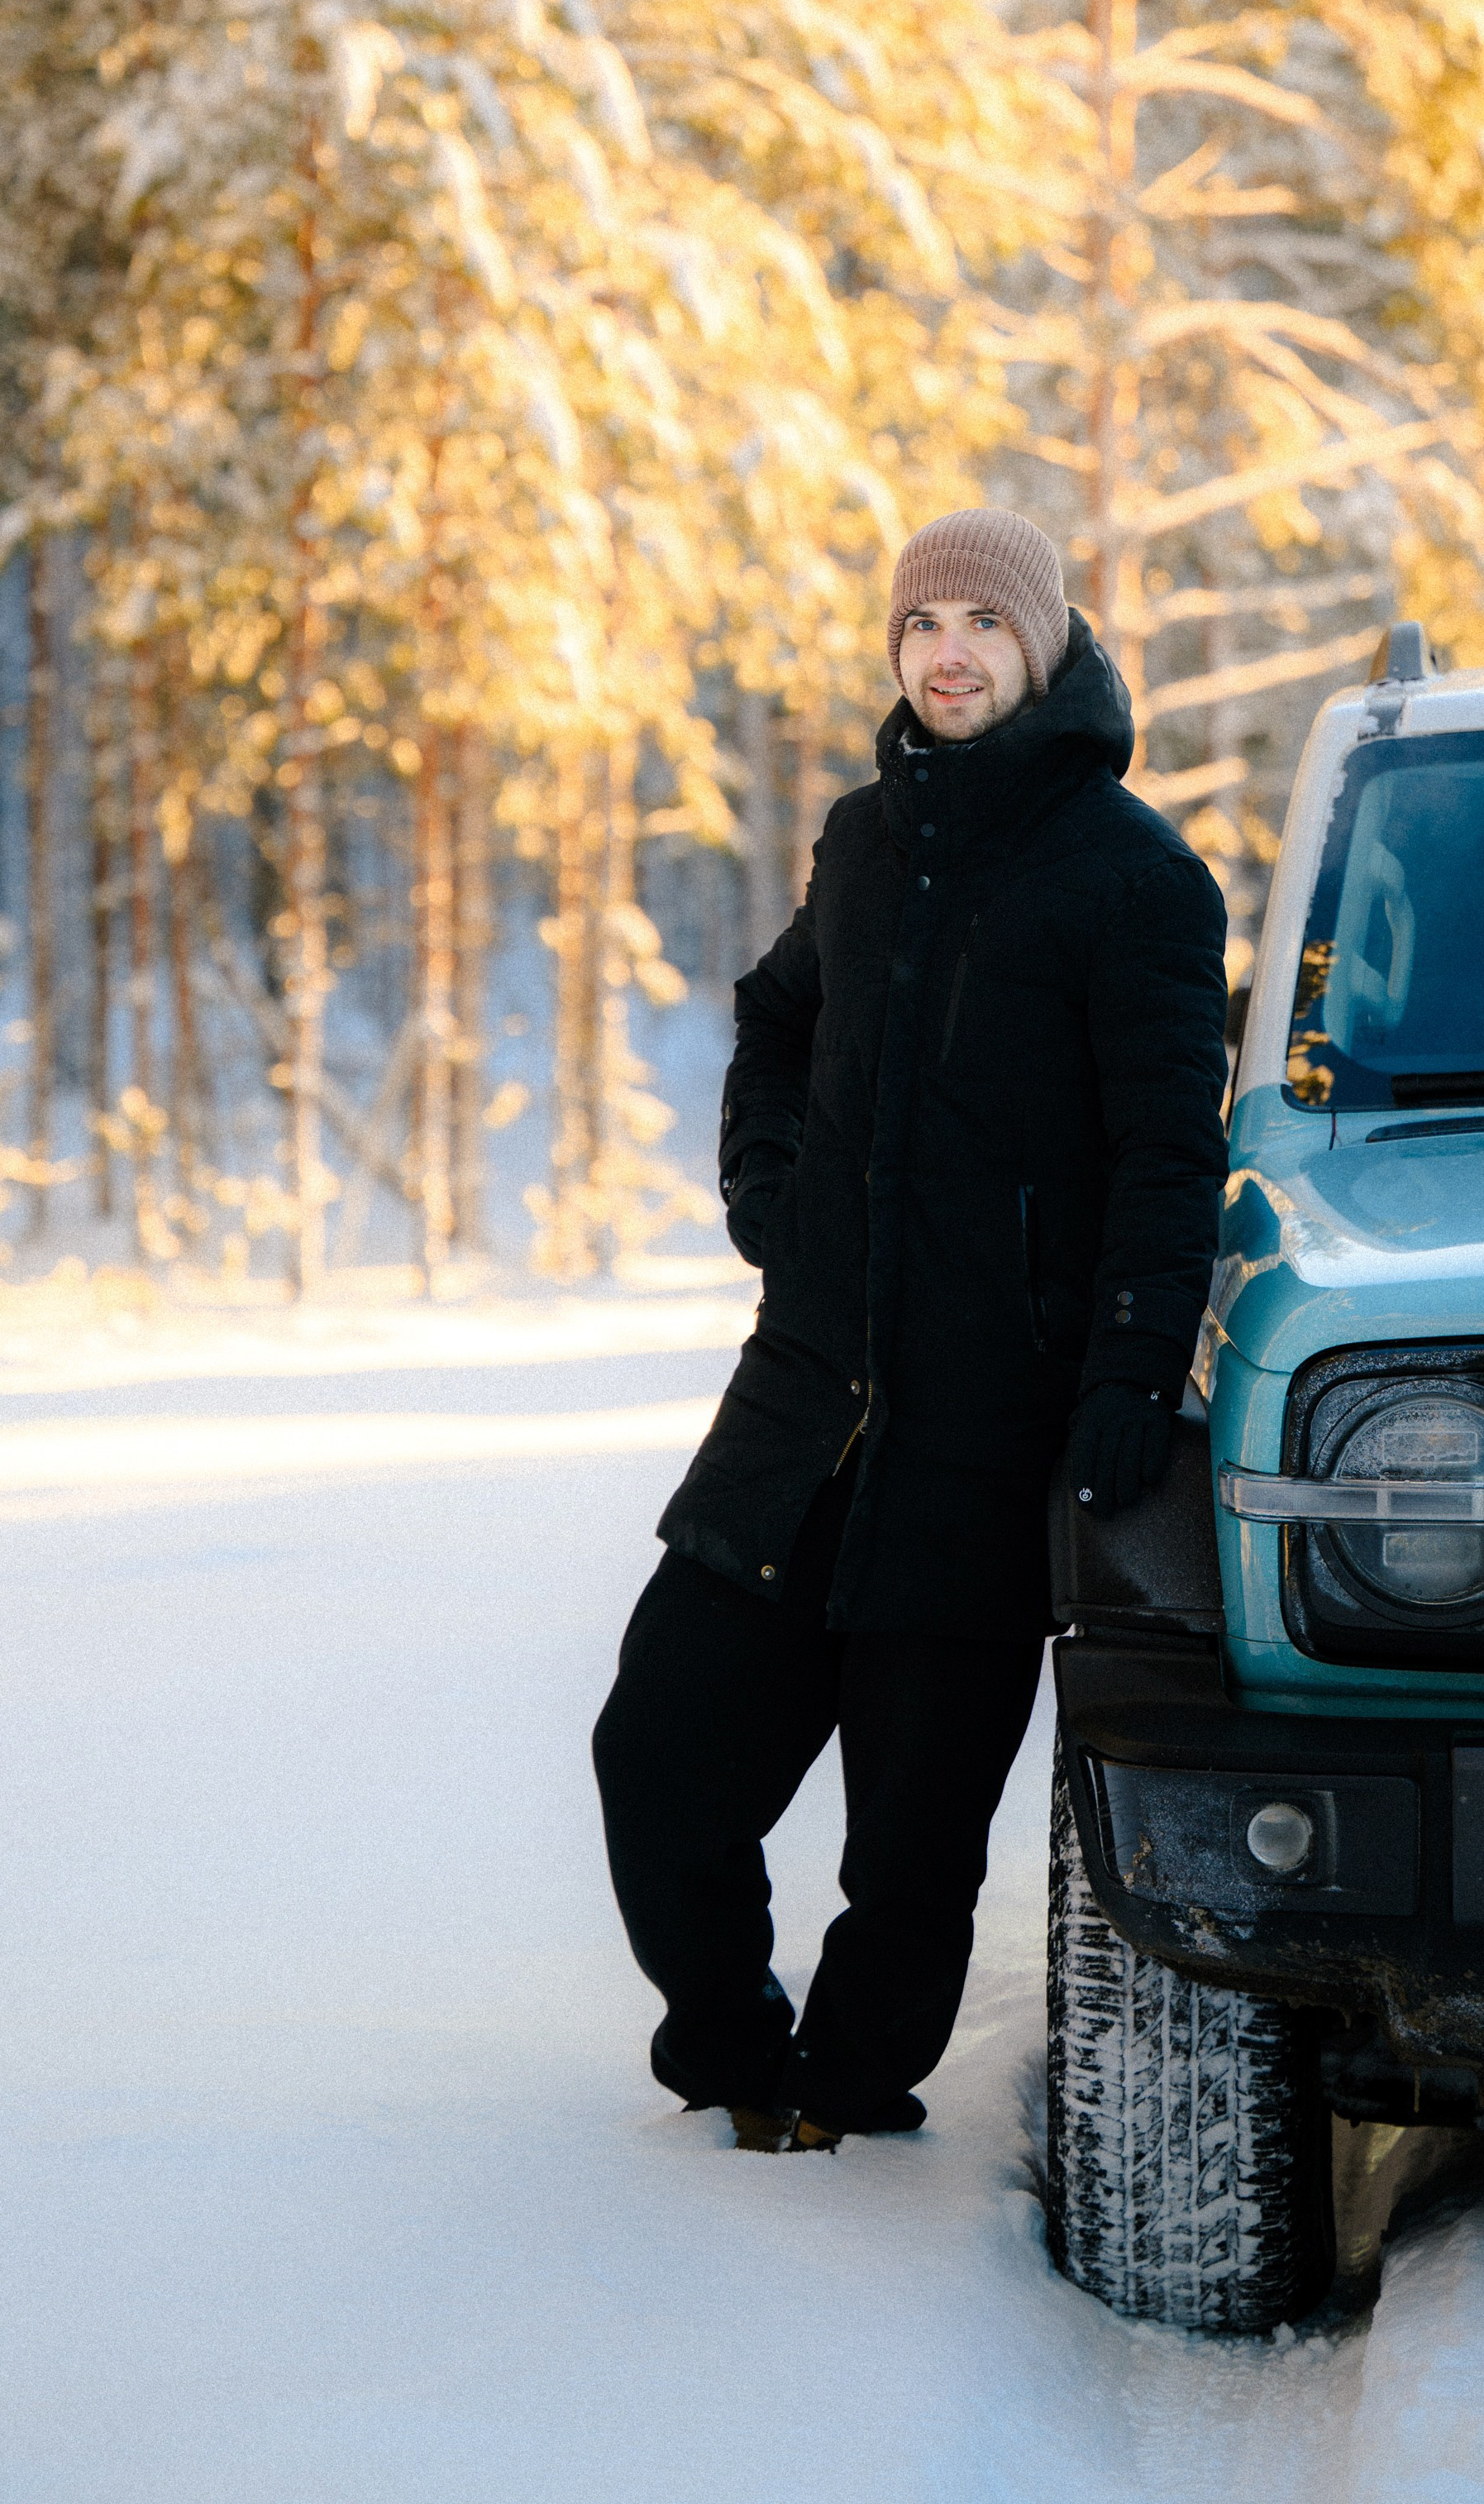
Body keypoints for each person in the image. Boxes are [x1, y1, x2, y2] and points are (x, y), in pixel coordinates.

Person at [591, 508, 1232, 2152]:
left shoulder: (1136, 883)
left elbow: (1169, 1160)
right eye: (918, 625)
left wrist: (1122, 1376)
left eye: (980, 625)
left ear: (1039, 647)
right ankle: (732, 2052)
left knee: (913, 1842)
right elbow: (775, 1015)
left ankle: (847, 2097)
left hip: (980, 1424)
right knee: (657, 1746)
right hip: (806, 1402)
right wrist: (766, 1183)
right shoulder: (869, 844)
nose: (944, 654)